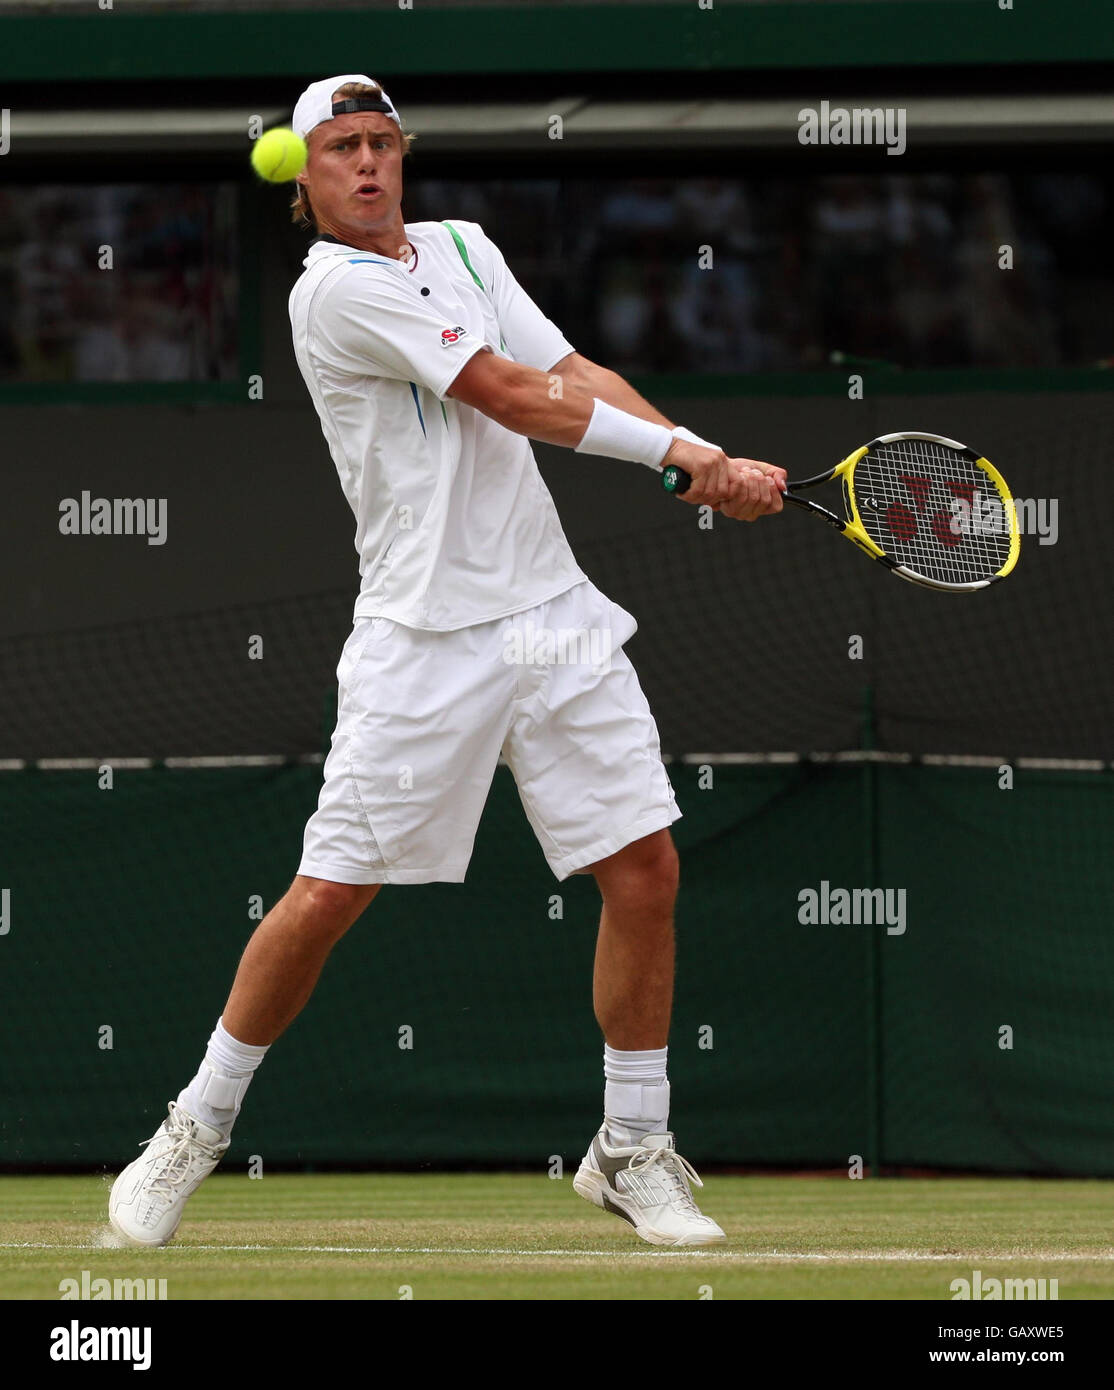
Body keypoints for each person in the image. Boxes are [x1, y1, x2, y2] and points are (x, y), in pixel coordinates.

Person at [109, 74, 785, 1251]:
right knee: (327, 895)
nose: (368, 165)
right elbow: (512, 398)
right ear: (304, 176)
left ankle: (631, 1147)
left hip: (554, 613)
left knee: (647, 871)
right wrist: (683, 460)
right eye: (342, 149)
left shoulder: (464, 247)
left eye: (383, 143)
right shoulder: (336, 295)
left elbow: (568, 371)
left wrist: (704, 455)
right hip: (423, 638)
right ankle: (195, 1123)